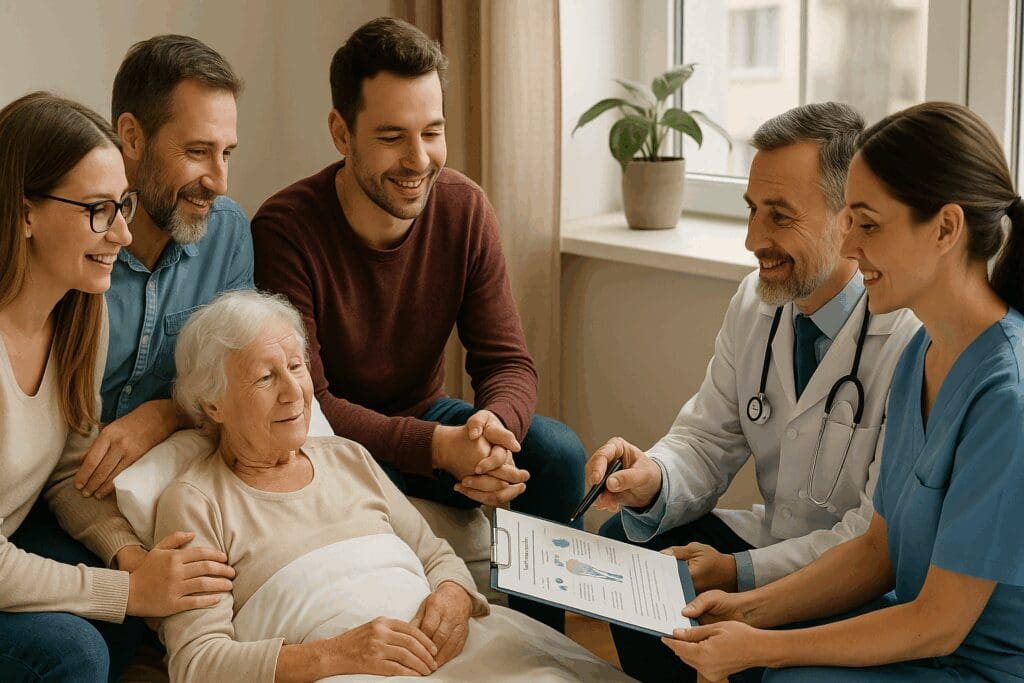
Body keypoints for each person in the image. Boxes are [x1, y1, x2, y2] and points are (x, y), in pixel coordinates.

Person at [665, 101, 1024, 682]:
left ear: (946, 229)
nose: (849, 246)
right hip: (920, 633)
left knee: (787, 677)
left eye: (868, 223)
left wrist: (763, 646)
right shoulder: (923, 356)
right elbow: (877, 551)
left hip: (975, 664)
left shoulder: (1007, 394)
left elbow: (940, 622)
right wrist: (742, 611)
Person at [250, 17, 585, 631]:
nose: (418, 159)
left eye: (433, 132)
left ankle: (545, 647)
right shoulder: (285, 230)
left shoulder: (463, 207)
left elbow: (506, 361)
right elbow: (313, 405)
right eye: (391, 136)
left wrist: (491, 431)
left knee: (557, 454)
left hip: (426, 424)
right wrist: (439, 449)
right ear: (340, 133)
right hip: (328, 444)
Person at [585, 103, 921, 682]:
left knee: (707, 605)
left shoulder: (909, 333)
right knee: (626, 543)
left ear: (849, 219)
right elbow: (707, 435)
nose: (751, 239)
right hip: (773, 537)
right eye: (750, 211)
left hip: (848, 578)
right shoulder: (756, 301)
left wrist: (738, 572)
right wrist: (654, 476)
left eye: (779, 216)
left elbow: (872, 539)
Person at [155, 290, 632, 683]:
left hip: (451, 651)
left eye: (297, 367)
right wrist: (336, 655)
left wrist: (453, 596)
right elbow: (198, 662)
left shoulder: (346, 456)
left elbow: (437, 554)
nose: (292, 391)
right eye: (265, 376)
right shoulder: (196, 501)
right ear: (212, 404)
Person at [0, 92, 235, 682]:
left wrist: (137, 561)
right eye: (99, 210)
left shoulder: (78, 316)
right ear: (24, 213)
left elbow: (67, 470)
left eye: (122, 205)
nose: (124, 235)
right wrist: (125, 590)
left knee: (140, 613)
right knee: (74, 650)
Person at [72, 34, 254, 500]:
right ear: (131, 137)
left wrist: (166, 413)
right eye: (197, 152)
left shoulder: (228, 232)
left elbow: (239, 380)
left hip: (179, 482)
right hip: (67, 491)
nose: (219, 180)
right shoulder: (71, 237)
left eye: (226, 152)